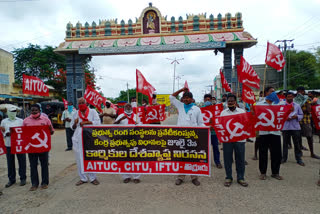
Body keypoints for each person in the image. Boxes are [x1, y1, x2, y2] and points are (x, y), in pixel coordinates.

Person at [170, 87, 204, 186]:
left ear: (192, 99)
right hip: (181, 136)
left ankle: (194, 177)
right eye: (184, 98)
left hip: (193, 137)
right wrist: (182, 90)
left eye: (188, 98)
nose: (186, 99)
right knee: (181, 157)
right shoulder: (180, 106)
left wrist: (206, 129)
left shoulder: (197, 109)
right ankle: (180, 176)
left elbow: (200, 123)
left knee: (193, 156)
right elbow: (171, 97)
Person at [23, 104, 54, 191]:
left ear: (39, 110)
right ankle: (34, 184)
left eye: (36, 110)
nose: (34, 112)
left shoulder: (46, 119)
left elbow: (51, 132)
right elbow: (23, 133)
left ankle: (44, 183)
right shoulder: (26, 121)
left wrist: (50, 129)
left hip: (43, 147)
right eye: (32, 110)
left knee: (44, 165)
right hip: (31, 147)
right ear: (30, 111)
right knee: (33, 166)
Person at [71, 97, 100, 186]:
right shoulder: (75, 113)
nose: (81, 105)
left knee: (90, 156)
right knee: (79, 158)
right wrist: (75, 123)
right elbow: (72, 127)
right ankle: (83, 178)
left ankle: (92, 178)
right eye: (79, 103)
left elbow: (98, 122)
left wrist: (87, 123)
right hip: (77, 137)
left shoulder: (93, 112)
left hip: (89, 136)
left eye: (82, 102)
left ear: (86, 103)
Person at [220, 94, 248, 187]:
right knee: (227, 159)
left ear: (235, 102)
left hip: (239, 139)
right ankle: (228, 177)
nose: (230, 102)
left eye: (232, 101)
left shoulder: (241, 111)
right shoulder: (223, 113)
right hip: (227, 140)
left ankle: (241, 178)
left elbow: (246, 123)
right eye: (229, 101)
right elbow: (220, 125)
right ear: (227, 102)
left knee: (240, 159)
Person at [256, 87, 283, 181]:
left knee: (276, 153)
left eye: (274, 91)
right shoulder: (259, 105)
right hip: (263, 133)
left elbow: (283, 115)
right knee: (263, 153)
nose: (274, 93)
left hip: (275, 132)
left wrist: (289, 110)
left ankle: (275, 172)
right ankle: (263, 173)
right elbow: (254, 117)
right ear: (266, 93)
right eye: (271, 91)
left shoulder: (279, 104)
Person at [114, 103, 141, 183]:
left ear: (132, 108)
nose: (128, 107)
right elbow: (114, 125)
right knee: (124, 157)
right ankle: (126, 176)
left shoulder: (136, 116)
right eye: (126, 106)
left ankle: (136, 177)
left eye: (129, 106)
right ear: (124, 108)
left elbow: (141, 126)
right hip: (124, 138)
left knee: (135, 158)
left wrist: (137, 125)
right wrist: (120, 119)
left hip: (134, 138)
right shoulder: (121, 115)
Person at [0, 106, 26, 188]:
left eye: (14, 111)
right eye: (11, 111)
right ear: (7, 112)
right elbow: (2, 131)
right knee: (10, 162)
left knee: (22, 161)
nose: (12, 113)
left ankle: (23, 178)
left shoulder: (21, 121)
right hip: (8, 144)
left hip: (19, 144)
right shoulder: (4, 121)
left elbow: (24, 131)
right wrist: (6, 134)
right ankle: (11, 179)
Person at [281, 92, 304, 166]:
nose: (290, 98)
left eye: (291, 96)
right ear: (286, 97)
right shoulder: (282, 105)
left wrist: (296, 117)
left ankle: (298, 159)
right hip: (285, 127)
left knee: (297, 143)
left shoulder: (297, 105)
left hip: (295, 127)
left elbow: (301, 114)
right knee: (285, 143)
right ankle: (284, 158)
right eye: (288, 96)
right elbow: (279, 114)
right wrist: (285, 117)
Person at [297, 86, 320, 159]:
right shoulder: (295, 100)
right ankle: (299, 152)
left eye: (301, 91)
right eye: (298, 91)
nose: (300, 93)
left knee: (309, 136)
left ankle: (312, 153)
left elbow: (308, 110)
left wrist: (298, 110)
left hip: (305, 120)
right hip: (297, 121)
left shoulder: (307, 99)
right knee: (298, 137)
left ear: (304, 92)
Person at [203, 94, 222, 169]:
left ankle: (217, 162)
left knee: (215, 147)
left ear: (211, 100)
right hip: (204, 132)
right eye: (206, 100)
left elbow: (218, 119)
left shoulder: (215, 110)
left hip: (213, 132)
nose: (207, 101)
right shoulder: (201, 110)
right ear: (204, 100)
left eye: (209, 100)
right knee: (204, 148)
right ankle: (204, 161)